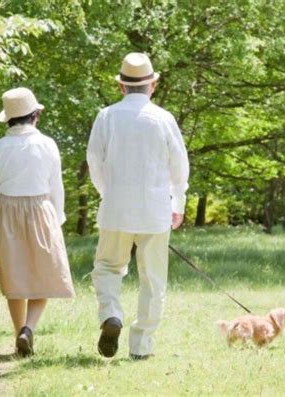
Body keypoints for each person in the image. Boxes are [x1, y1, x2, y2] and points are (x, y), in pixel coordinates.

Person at [87, 53, 189, 360]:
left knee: (107, 268)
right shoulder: (164, 118)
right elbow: (179, 166)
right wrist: (178, 201)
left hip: (116, 208)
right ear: (153, 85)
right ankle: (141, 346)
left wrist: (109, 192)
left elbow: (94, 161)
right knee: (153, 280)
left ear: (121, 86)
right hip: (155, 210)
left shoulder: (106, 116)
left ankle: (111, 315)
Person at [0, 87, 75, 357]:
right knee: (43, 273)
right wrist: (57, 218)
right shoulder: (47, 144)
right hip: (39, 206)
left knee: (15, 276)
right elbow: (55, 186)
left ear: (9, 119)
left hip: (6, 210)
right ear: (35, 115)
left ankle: (18, 335)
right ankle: (29, 329)